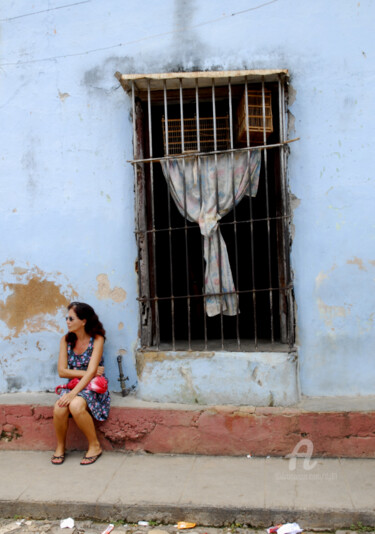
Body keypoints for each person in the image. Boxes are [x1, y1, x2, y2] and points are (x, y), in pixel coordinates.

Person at [51, 302, 110, 465]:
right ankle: (61, 447)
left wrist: (73, 393)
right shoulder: (66, 340)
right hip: (75, 384)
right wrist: (87, 372)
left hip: (94, 386)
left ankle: (95, 445)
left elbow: (92, 375)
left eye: (71, 318)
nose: (67, 322)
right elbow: (62, 371)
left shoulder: (97, 339)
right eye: (66, 318)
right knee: (59, 407)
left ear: (83, 321)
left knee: (76, 405)